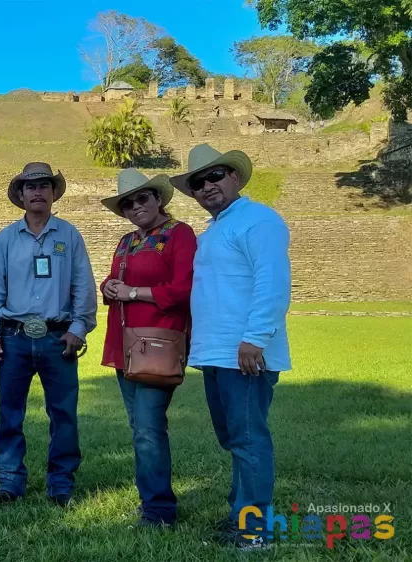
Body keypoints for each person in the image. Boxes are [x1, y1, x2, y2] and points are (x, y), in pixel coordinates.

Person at [171, 144, 291, 551]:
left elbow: (272, 282)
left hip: (245, 351)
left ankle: (256, 529)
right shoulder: (217, 229)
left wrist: (255, 338)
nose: (207, 186)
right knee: (233, 437)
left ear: (235, 178)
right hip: (219, 352)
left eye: (215, 176)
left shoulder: (259, 220)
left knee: (248, 438)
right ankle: (242, 515)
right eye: (198, 182)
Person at [0, 162, 97, 507]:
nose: (36, 192)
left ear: (52, 192)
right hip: (14, 336)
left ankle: (61, 482)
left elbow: (83, 286)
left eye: (43, 185)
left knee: (63, 413)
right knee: (10, 412)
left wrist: (79, 327)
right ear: (20, 195)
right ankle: (10, 480)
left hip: (57, 338)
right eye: (29, 186)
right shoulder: (5, 238)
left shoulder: (69, 235)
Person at [99, 168, 197, 527]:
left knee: (148, 427)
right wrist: (108, 287)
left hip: (158, 343)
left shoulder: (179, 234)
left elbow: (185, 287)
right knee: (139, 426)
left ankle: (158, 509)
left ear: (158, 198)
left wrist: (134, 293)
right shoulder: (127, 241)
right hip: (125, 345)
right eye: (128, 203)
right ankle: (151, 501)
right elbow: (116, 281)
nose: (136, 206)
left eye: (143, 198)